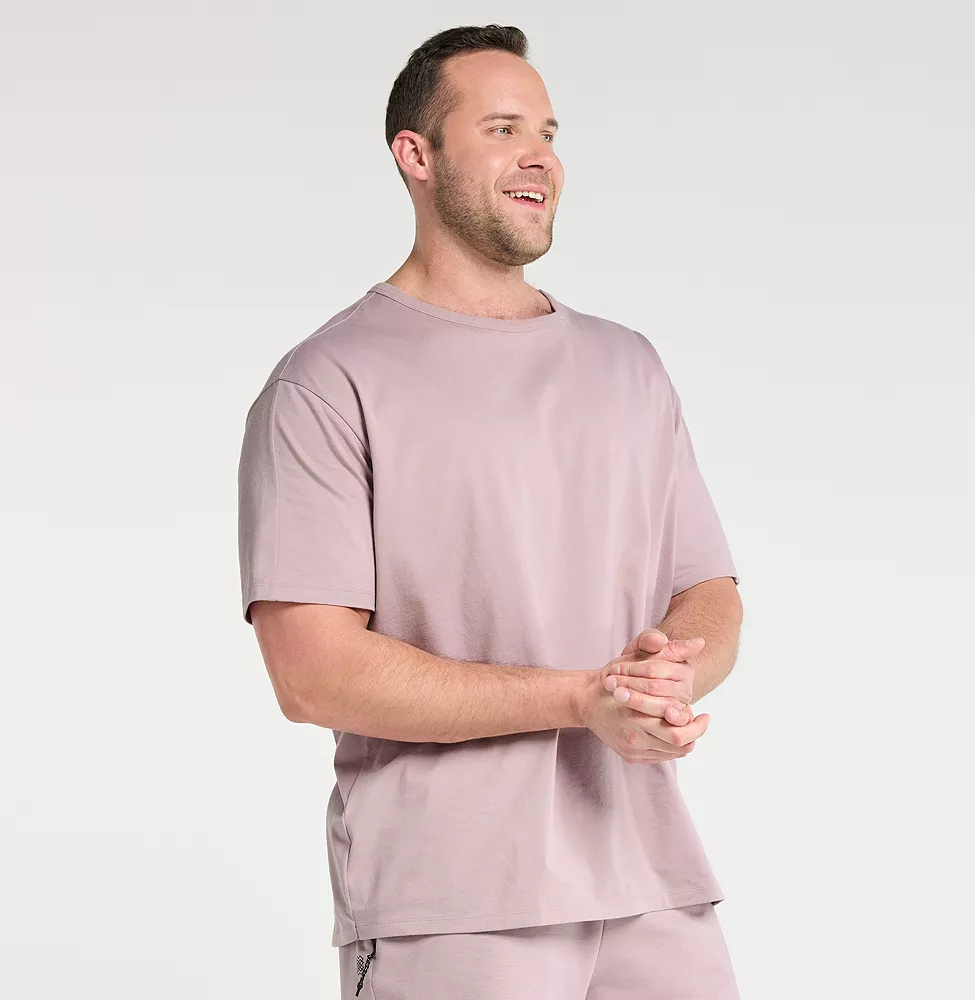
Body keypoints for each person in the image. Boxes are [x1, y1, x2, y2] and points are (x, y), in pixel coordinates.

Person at [237, 22, 743, 1000]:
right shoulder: (330, 382)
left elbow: (707, 589)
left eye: (547, 132)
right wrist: (579, 699)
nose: (539, 156)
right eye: (503, 128)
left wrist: (667, 678)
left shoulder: (628, 365)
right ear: (416, 155)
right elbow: (312, 672)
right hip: (451, 903)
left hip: (654, 883)